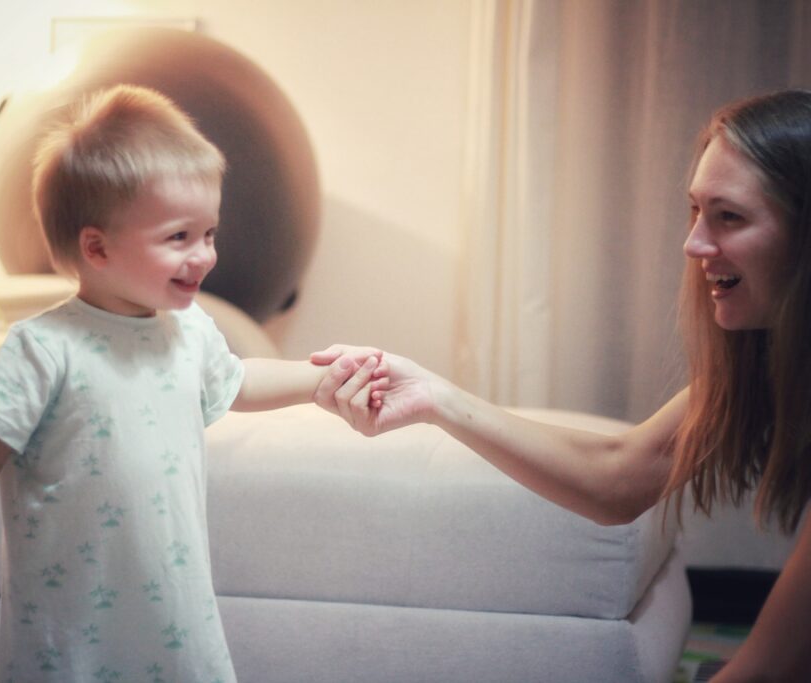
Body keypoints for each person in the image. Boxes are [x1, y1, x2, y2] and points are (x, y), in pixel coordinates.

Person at [311, 89, 811, 681]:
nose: (694, 243)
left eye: (730, 216)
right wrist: (434, 397)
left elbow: (772, 665)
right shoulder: (765, 350)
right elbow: (620, 475)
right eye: (696, 211)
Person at [0, 84, 379, 683]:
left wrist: (321, 380)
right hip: (70, 611)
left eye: (208, 233)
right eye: (178, 238)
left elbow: (235, 382)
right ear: (97, 248)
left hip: (172, 604)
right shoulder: (44, 349)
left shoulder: (188, 329)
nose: (204, 256)